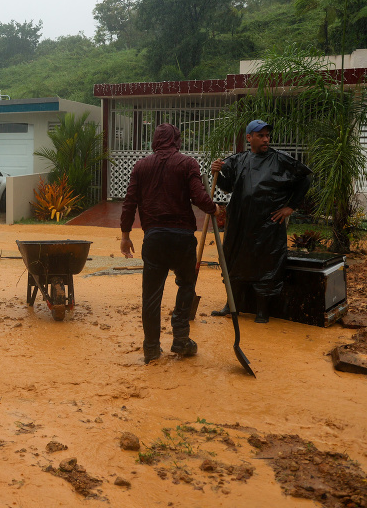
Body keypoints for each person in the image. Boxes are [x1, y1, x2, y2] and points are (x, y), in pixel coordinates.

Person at [119, 124, 222, 364]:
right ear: (176, 140)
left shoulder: (141, 166)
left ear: (155, 141)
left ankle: (152, 348)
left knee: (151, 296)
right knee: (186, 284)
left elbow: (129, 202)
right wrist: (214, 208)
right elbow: (199, 197)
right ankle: (181, 339)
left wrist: (125, 236)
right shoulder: (187, 163)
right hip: (182, 238)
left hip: (154, 239)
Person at [210, 119, 311, 323]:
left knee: (266, 265)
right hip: (239, 223)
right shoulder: (237, 161)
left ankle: (262, 310)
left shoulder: (280, 160)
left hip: (267, 224)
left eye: (267, 135)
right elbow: (227, 186)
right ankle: (231, 304)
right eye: (261, 136)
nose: (266, 139)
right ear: (249, 138)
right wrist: (216, 172)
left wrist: (291, 206)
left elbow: (305, 178)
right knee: (233, 261)